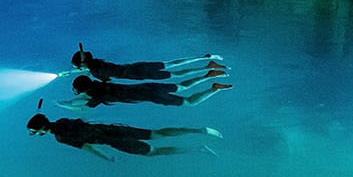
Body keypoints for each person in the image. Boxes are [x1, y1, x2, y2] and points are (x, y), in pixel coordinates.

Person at [26, 113, 221, 159]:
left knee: (154, 152)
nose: (36, 134)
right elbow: (84, 119)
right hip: (115, 129)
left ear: (41, 128)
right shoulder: (62, 121)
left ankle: (198, 148)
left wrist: (105, 157)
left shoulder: (61, 137)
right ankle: (200, 130)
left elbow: (88, 147)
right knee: (157, 133)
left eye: (35, 131)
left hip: (113, 141)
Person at [62, 72, 232, 109]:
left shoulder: (97, 96)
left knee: (188, 102)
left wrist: (62, 104)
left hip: (150, 95)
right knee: (182, 86)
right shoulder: (102, 83)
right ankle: (208, 75)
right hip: (146, 87)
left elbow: (82, 106)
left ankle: (214, 89)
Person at [70, 46, 227, 83]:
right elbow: (102, 70)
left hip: (138, 74)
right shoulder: (98, 63)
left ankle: (208, 68)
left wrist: (88, 73)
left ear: (82, 65)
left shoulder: (95, 72)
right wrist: (87, 70)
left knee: (177, 75)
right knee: (171, 64)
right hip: (136, 66)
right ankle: (204, 58)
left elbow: (108, 80)